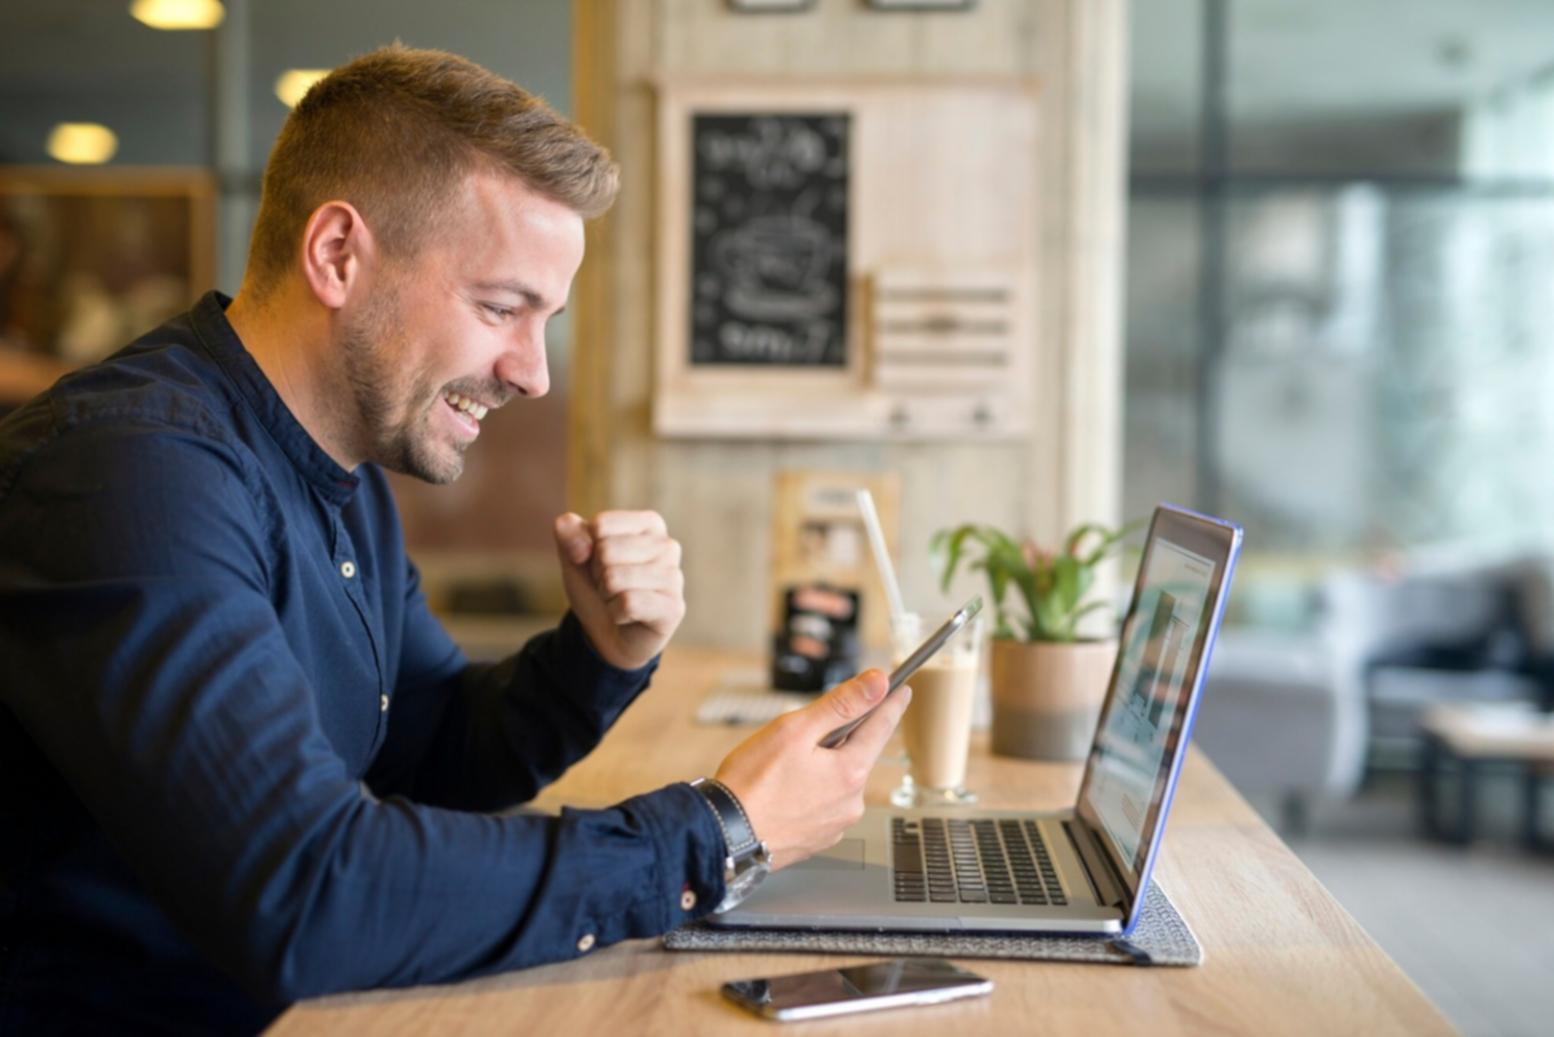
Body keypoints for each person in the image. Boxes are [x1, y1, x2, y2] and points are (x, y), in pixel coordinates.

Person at [0, 46, 911, 1033]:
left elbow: (432, 747)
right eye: (501, 307)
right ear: (337, 255)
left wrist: (599, 653)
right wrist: (716, 831)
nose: (533, 373)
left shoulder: (341, 468)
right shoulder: (130, 471)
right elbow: (307, 890)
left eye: (543, 319)